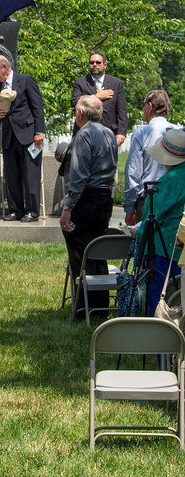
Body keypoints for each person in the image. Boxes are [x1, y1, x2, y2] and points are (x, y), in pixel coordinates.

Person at [59, 95, 118, 316]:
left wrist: (68, 209)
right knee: (97, 249)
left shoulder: (83, 135)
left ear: (81, 114)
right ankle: (101, 305)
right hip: (105, 197)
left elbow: (79, 176)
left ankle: (84, 306)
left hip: (87, 197)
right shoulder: (109, 133)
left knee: (79, 250)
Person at [134, 126, 185, 315]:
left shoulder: (170, 180)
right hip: (180, 250)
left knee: (160, 298)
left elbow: (151, 217)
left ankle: (158, 334)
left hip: (164, 250)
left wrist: (137, 234)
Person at [0, 55, 45, 222]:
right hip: (9, 136)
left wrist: (39, 131)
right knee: (12, 174)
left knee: (30, 174)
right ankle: (16, 210)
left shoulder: (26, 80)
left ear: (5, 68)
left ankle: (33, 211)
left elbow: (37, 106)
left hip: (28, 135)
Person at [122, 89, 173, 226]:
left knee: (146, 244)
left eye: (144, 104)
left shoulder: (142, 133)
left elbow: (133, 172)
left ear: (150, 106)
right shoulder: (178, 132)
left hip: (149, 199)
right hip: (174, 196)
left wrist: (129, 208)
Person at [71, 52, 127, 146]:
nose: (94, 65)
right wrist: (96, 97)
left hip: (109, 133)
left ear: (105, 65)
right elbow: (74, 103)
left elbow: (121, 110)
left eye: (98, 62)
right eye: (92, 62)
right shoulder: (80, 82)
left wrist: (121, 133)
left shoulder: (116, 84)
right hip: (84, 133)